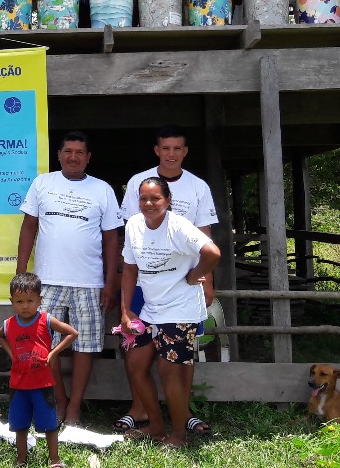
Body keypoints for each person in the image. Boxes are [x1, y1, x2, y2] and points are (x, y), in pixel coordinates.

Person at [114, 126, 219, 437]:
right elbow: (129, 267)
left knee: (170, 371)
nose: (148, 203)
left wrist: (197, 276)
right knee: (136, 365)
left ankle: (178, 432)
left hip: (180, 308)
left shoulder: (181, 223)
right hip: (150, 306)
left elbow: (211, 250)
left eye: (155, 198)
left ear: (168, 200)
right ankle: (155, 426)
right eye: (144, 199)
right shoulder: (134, 224)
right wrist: (125, 310)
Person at [16, 130, 121, 426]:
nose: (73, 157)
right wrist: (22, 271)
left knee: (85, 346)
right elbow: (28, 228)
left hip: (89, 282)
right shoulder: (43, 183)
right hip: (46, 281)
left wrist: (110, 281)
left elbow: (112, 238)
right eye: (68, 151)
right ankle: (58, 402)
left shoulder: (102, 189)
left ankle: (75, 407)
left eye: (79, 152)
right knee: (44, 345)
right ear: (59, 155)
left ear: (88, 157)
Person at [0, 272, 78, 468]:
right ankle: (21, 459)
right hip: (19, 384)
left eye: (30, 300)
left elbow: (72, 333)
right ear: (12, 301)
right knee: (20, 425)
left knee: (49, 424)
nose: (25, 306)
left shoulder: (46, 320)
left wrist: (53, 353)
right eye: (19, 301)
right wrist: (12, 354)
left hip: (42, 383)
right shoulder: (9, 324)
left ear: (40, 300)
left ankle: (54, 459)